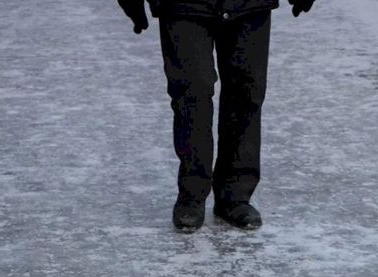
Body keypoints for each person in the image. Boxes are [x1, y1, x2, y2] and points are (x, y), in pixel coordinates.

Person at [118, 0, 315, 232]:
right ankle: (192, 193)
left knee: (245, 89)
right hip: (183, 6)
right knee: (192, 92)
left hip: (249, 4)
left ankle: (235, 194)